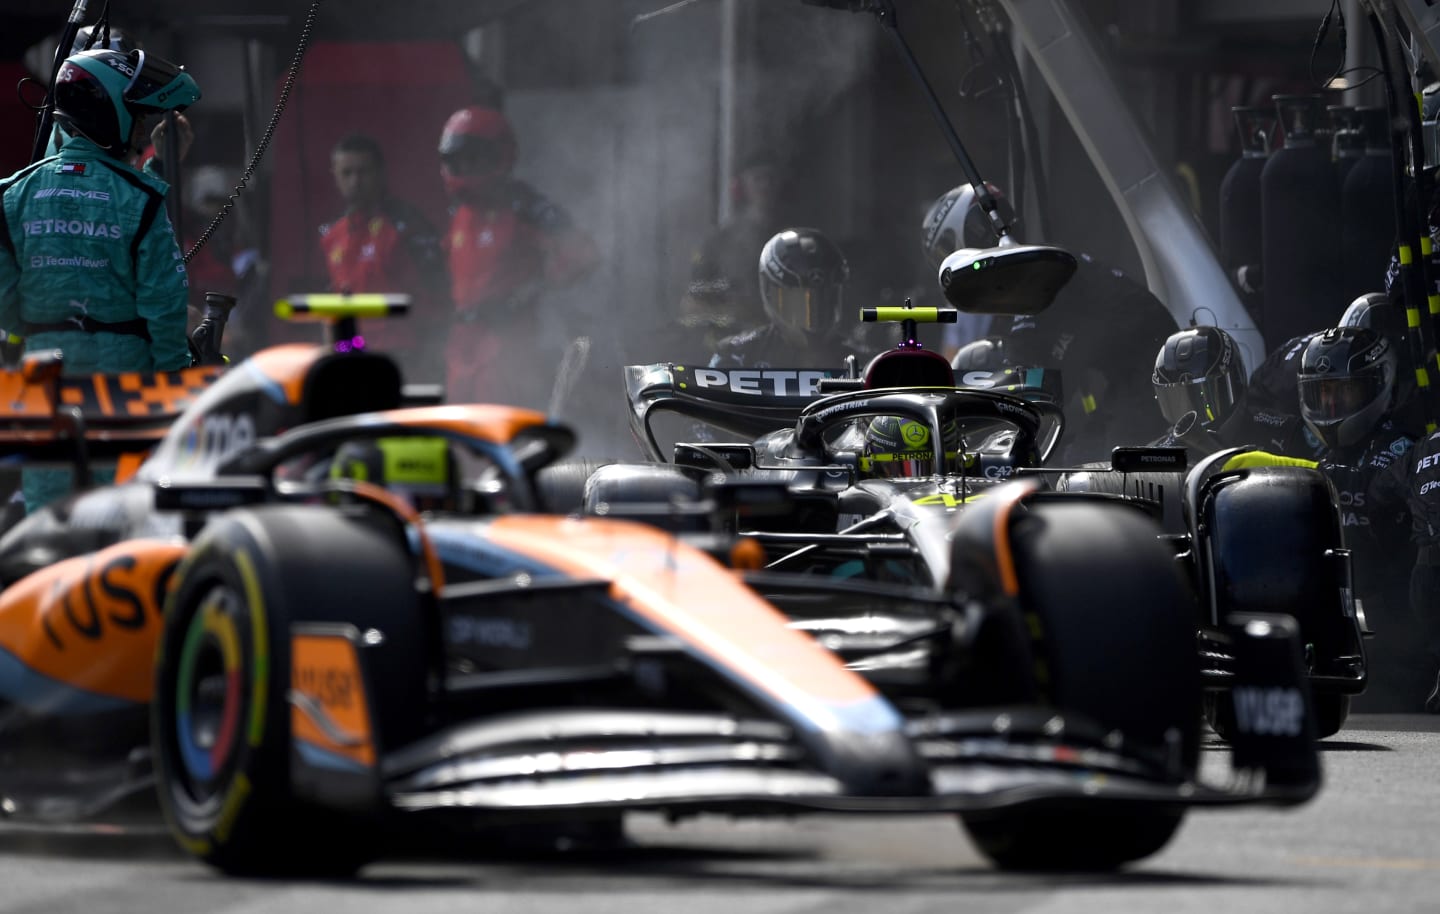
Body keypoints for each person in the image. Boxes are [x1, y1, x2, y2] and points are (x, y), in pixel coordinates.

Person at [0, 47, 200, 509]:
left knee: (47, 515)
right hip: (122, 381)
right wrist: (173, 386)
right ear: (110, 113)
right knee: (119, 514)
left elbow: (6, 304)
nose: (143, 130)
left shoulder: (13, 193)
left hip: (39, 375)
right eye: (140, 118)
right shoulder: (142, 198)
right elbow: (165, 310)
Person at [921, 183, 1179, 464]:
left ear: (973, 232)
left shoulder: (1035, 283)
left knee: (1077, 465)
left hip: (1152, 384)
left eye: (947, 250)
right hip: (1136, 381)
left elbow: (1031, 398)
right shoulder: (1043, 272)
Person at [439, 104, 598, 406]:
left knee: (499, 431)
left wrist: (535, 288)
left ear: (498, 155)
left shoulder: (526, 208)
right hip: (462, 342)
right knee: (460, 434)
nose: (464, 167)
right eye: (456, 160)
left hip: (508, 341)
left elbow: (584, 255)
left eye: (472, 158)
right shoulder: (458, 214)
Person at [1296, 326, 1419, 707]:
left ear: (1378, 385)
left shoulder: (1402, 450)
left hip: (1399, 636)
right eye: (1323, 394)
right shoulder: (1325, 459)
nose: (1331, 406)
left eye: (1343, 392)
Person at [319, 133, 447, 370]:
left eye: (363, 172)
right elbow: (334, 299)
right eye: (347, 173)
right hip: (349, 353)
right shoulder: (331, 235)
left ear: (380, 172)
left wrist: (429, 355)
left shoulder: (409, 228)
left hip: (403, 355)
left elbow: (439, 295)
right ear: (335, 175)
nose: (355, 181)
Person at [708, 227, 854, 371]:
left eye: (824, 301)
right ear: (768, 293)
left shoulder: (867, 362)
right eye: (798, 303)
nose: (814, 314)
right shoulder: (735, 356)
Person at [689, 156, 785, 331]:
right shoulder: (719, 241)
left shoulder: (792, 239)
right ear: (742, 186)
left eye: (770, 178)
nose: (765, 186)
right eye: (758, 179)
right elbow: (697, 296)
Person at [1149, 326, 1248, 459]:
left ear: (1236, 382)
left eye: (1205, 398)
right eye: (1176, 403)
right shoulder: (1156, 453)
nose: (1191, 422)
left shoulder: (1276, 433)